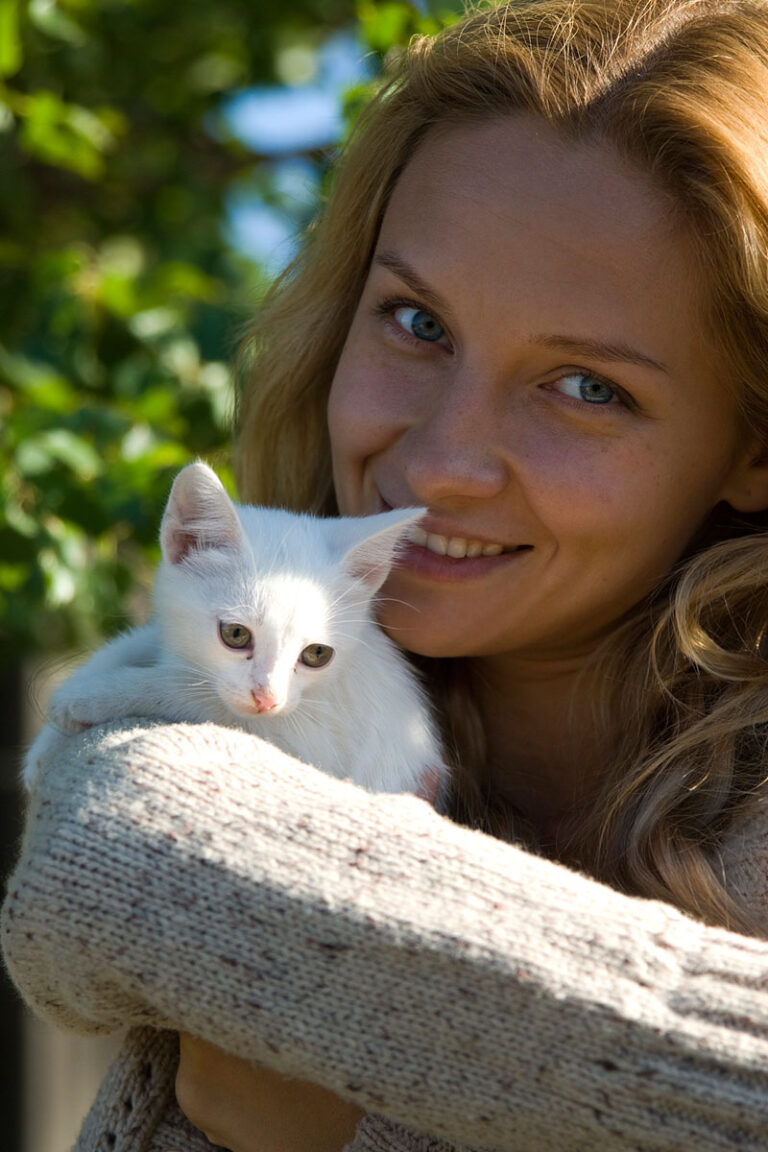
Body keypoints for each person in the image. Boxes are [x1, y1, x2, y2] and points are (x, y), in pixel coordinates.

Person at [5, 0, 768, 1148]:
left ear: (753, 444)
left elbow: (112, 847)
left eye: (588, 388)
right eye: (416, 321)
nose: (441, 463)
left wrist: (254, 941)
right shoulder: (257, 652)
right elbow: (82, 846)